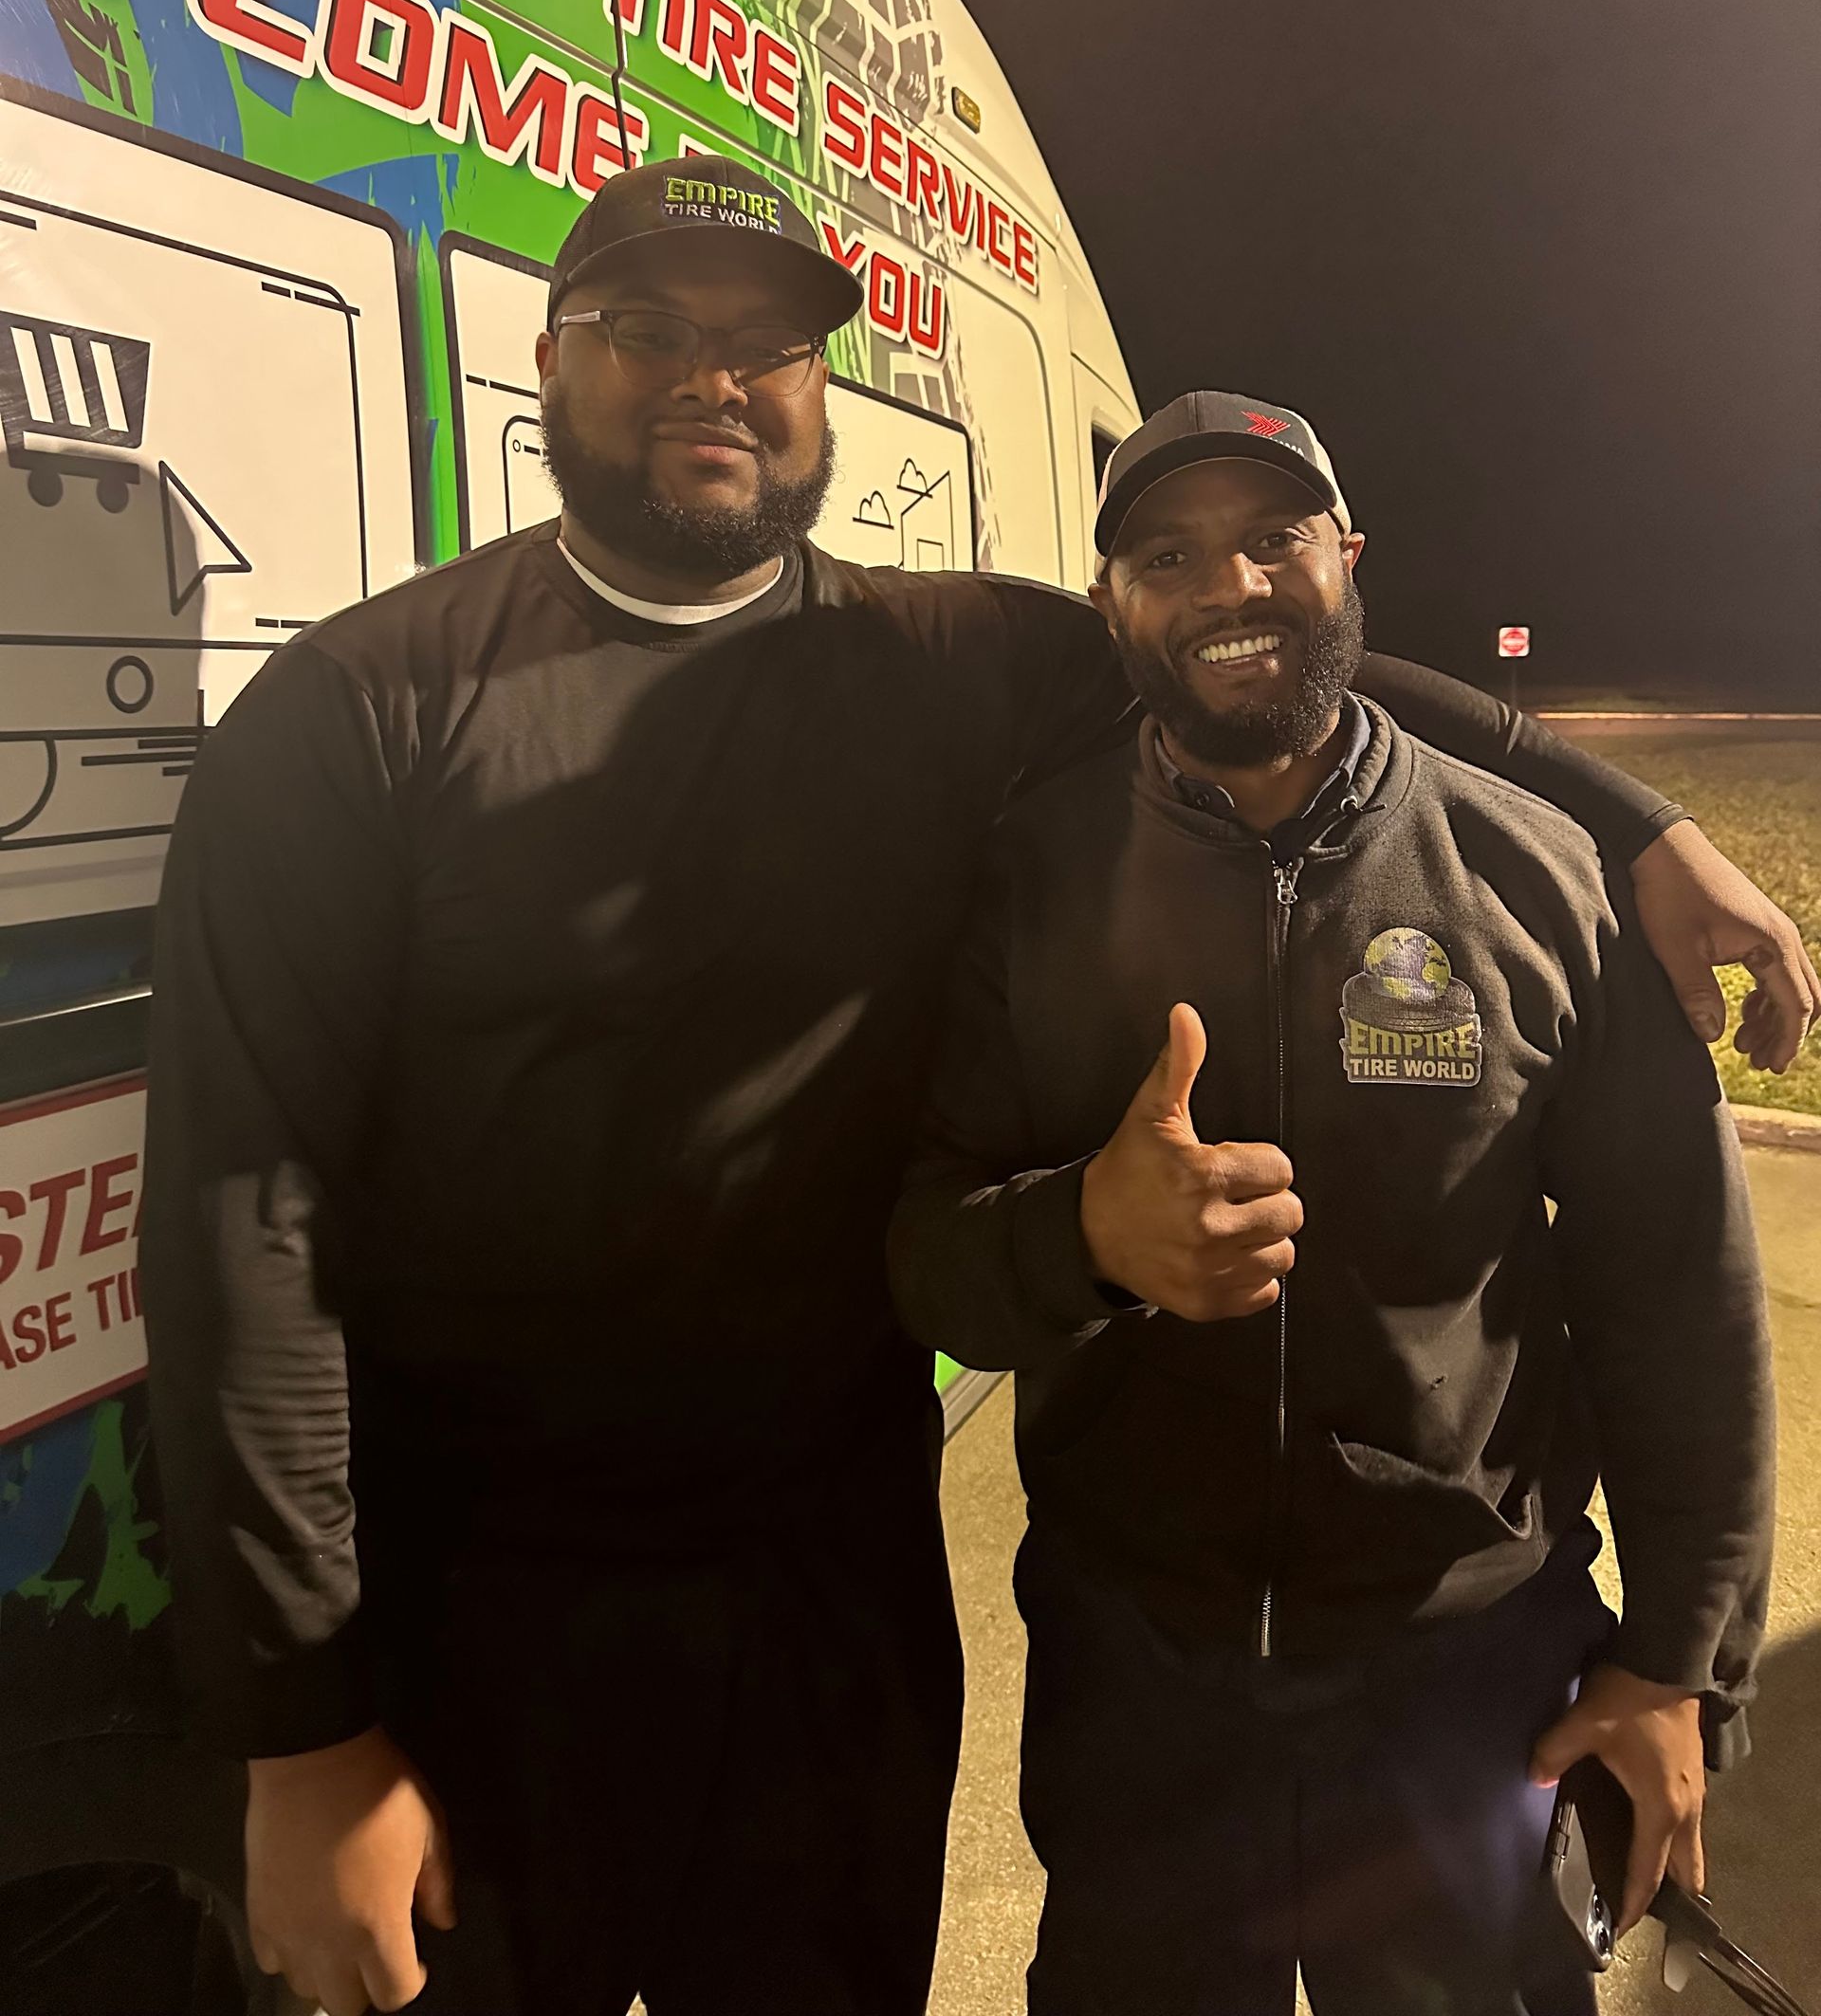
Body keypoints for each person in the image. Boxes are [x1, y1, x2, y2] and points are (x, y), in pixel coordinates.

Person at [140, 169, 1808, 2016]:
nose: (713, 378)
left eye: (764, 342)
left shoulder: (941, 664)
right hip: (491, 1617)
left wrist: (1621, 813)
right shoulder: (351, 717)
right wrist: (301, 1731)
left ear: (817, 387)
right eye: (649, 332)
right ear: (547, 362)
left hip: (833, 1594)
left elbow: (1258, 655)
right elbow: (239, 1235)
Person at [889, 390, 1780, 2016]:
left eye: (1270, 536)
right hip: (1136, 1676)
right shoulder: (1023, 882)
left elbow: (1680, 1302)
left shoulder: (1535, 877)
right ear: (1112, 608)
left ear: (1346, 556)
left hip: (1469, 1679)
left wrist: (1678, 1668)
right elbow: (923, 1262)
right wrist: (1080, 1235)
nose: (1226, 585)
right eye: (1167, 554)